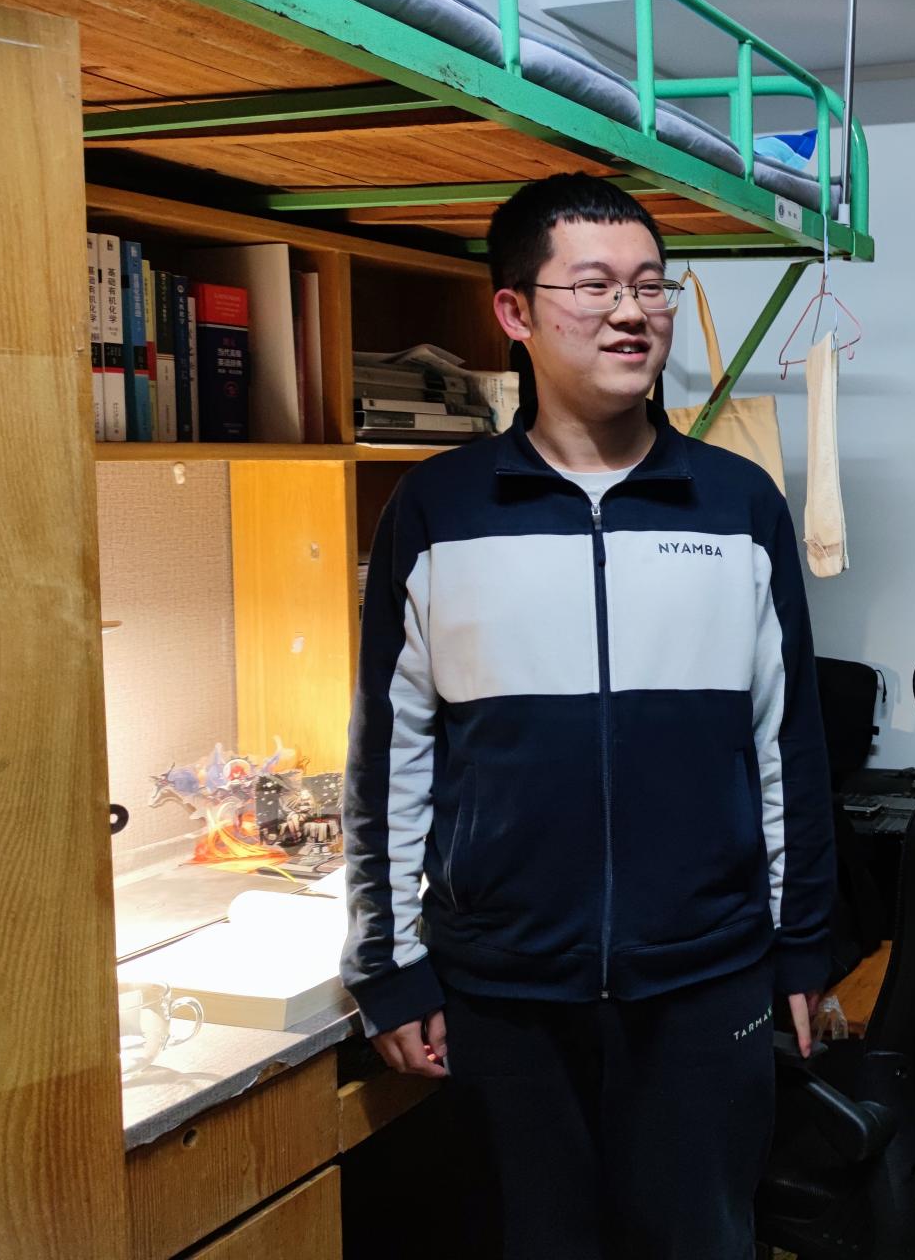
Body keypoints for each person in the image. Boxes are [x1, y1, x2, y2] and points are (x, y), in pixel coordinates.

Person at [340, 173, 835, 1259]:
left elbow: (787, 746)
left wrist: (803, 945)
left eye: (652, 287)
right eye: (595, 285)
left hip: (705, 982)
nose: (632, 312)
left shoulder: (739, 506)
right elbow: (389, 758)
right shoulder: (438, 509)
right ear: (514, 311)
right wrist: (387, 965)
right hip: (504, 991)